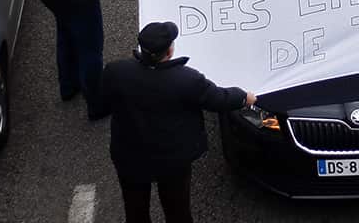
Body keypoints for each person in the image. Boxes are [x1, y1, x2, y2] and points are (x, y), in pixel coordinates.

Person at [97, 22, 257, 223]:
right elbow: (218, 99)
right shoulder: (187, 79)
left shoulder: (116, 71)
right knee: (177, 211)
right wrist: (244, 98)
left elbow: (104, 101)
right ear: (170, 51)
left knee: (135, 211)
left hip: (129, 156)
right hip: (172, 160)